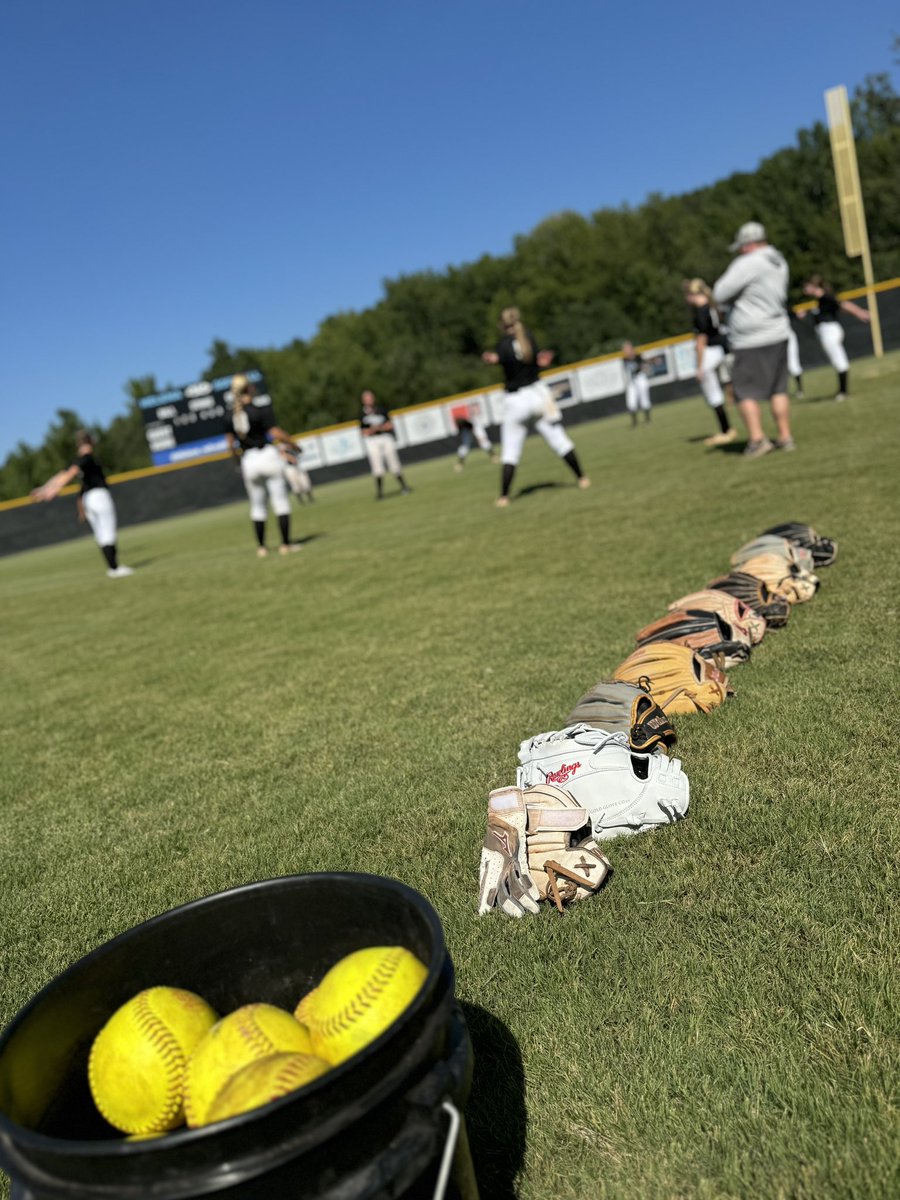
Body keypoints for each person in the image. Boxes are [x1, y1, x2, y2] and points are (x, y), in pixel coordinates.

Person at [481, 306, 590, 508]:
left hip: (516, 402)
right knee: (559, 440)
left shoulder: (503, 343)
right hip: (538, 395)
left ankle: (504, 496)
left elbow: (498, 359)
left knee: (510, 451)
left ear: (504, 325)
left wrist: (490, 358)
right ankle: (582, 478)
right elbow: (537, 360)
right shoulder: (528, 336)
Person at [713, 221, 794, 458]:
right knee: (778, 388)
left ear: (748, 244)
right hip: (778, 331)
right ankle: (784, 436)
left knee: (744, 391)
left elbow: (719, 293)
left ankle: (757, 440)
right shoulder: (778, 260)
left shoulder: (749, 262)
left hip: (751, 338)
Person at [30, 430, 134, 578]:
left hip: (87, 499)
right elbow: (69, 475)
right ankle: (115, 568)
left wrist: (46, 488)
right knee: (108, 532)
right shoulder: (87, 458)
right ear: (90, 442)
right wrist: (53, 490)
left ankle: (113, 568)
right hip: (99, 496)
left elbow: (64, 474)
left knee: (100, 534)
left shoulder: (77, 460)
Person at [225, 374, 300, 556]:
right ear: (249, 389)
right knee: (280, 502)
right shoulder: (260, 410)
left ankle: (262, 548)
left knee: (257, 506)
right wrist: (294, 444)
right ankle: (285, 545)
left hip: (248, 460)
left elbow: (230, 445)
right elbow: (275, 432)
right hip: (267, 456)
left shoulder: (230, 415)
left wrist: (238, 462)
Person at [798, 275, 871, 401]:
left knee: (839, 361)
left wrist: (860, 313)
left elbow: (844, 304)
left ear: (815, 286)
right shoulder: (820, 300)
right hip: (828, 331)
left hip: (830, 331)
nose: (805, 289)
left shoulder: (826, 297)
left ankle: (843, 392)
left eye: (807, 286)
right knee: (838, 361)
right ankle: (842, 391)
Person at [682, 279, 737, 446]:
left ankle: (726, 429)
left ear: (692, 294)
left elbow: (701, 340)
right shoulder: (713, 305)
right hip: (724, 348)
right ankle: (727, 428)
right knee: (728, 389)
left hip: (711, 351)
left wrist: (699, 367)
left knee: (713, 395)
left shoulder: (701, 310)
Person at [359, 390, 411, 499]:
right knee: (377, 467)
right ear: (363, 400)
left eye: (370, 397)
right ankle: (380, 493)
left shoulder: (381, 409)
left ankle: (404, 487)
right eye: (366, 398)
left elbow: (389, 425)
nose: (369, 400)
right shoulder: (361, 414)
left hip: (385, 437)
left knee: (394, 463)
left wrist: (376, 428)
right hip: (372, 441)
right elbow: (364, 432)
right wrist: (376, 428)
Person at [450, 401, 496, 471]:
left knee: (484, 442)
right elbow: (464, 424)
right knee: (465, 447)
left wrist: (479, 436)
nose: (474, 410)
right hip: (468, 429)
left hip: (472, 427)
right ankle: (460, 463)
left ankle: (493, 456)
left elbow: (475, 427)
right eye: (473, 408)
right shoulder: (468, 419)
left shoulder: (475, 420)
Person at [622, 342, 651, 425]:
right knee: (631, 401)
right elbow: (629, 369)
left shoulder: (638, 357)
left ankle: (647, 419)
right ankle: (634, 422)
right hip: (632, 380)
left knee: (644, 399)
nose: (625, 351)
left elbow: (644, 365)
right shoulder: (625, 359)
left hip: (640, 378)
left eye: (626, 349)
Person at [279, 439, 315, 504]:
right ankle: (301, 501)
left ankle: (310, 499)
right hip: (289, 468)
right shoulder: (282, 446)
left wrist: (294, 446)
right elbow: (282, 454)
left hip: (298, 466)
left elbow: (300, 451)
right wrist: (290, 458)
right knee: (295, 485)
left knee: (305, 482)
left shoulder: (292, 444)